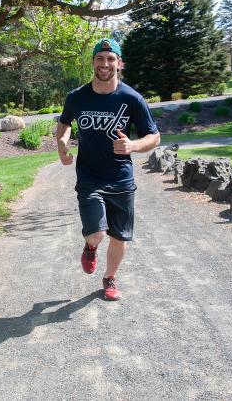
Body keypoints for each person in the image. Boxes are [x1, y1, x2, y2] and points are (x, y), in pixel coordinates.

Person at [55, 38, 160, 301]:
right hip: (89, 176)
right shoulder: (76, 97)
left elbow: (154, 137)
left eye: (111, 59)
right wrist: (62, 143)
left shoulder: (132, 98)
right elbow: (65, 124)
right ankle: (90, 246)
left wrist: (133, 145)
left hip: (121, 179)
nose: (105, 64)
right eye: (100, 58)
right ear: (93, 62)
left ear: (119, 63)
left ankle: (110, 278)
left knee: (119, 236)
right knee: (98, 233)